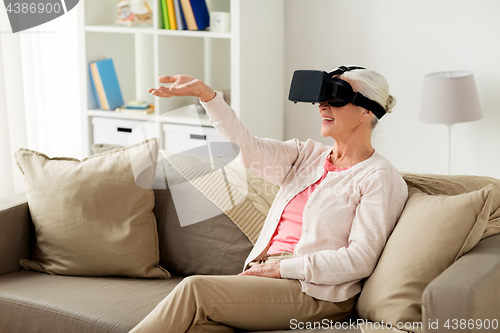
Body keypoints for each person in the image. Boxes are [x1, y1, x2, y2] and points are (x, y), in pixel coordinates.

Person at [129, 66, 409, 333]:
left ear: (365, 110)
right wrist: (207, 95)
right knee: (196, 326)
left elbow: (360, 259)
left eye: (334, 97)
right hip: (269, 275)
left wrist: (282, 268)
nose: (322, 106)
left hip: (317, 291)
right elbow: (248, 150)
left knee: (195, 290)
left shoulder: (379, 177)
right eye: (321, 98)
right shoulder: (307, 156)